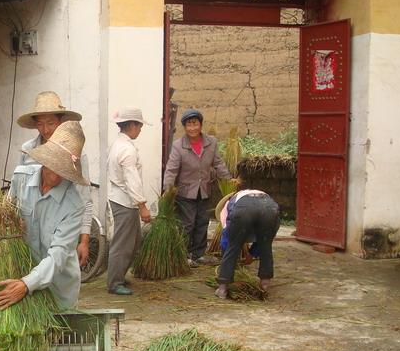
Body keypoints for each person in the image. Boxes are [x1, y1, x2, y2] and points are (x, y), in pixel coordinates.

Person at [0, 120, 89, 310]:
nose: (58, 176)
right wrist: (9, 225)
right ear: (44, 159)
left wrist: (26, 284)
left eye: (65, 170)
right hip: (19, 272)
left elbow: (58, 255)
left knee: (57, 336)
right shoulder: (21, 178)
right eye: (55, 165)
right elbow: (7, 215)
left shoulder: (74, 206)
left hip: (57, 287)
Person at [17, 91, 94, 267]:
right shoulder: (28, 150)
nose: (45, 130)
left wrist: (84, 240)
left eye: (51, 123)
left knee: (57, 273)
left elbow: (85, 199)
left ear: (61, 122)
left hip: (60, 231)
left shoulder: (75, 154)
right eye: (40, 124)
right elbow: (18, 188)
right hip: (29, 232)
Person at [162, 108, 231, 267]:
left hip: (204, 190)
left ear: (200, 125)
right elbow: (171, 169)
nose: (192, 128)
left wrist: (228, 180)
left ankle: (199, 254)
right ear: (184, 127)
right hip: (186, 192)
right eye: (188, 125)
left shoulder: (211, 142)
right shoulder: (179, 146)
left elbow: (218, 163)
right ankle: (184, 254)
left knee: (202, 222)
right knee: (187, 224)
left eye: (195, 124)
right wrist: (168, 189)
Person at [106, 107, 152, 296]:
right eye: (139, 126)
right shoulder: (126, 149)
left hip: (122, 199)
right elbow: (132, 179)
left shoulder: (119, 144)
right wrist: (142, 206)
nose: (140, 129)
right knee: (123, 243)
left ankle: (119, 275)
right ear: (131, 125)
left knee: (133, 241)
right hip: (125, 201)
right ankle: (114, 282)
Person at [213, 188, 280, 299]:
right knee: (266, 246)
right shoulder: (260, 194)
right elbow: (264, 239)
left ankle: (222, 289)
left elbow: (227, 238)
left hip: (243, 210)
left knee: (232, 246)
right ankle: (264, 285)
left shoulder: (227, 206)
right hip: (270, 208)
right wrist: (252, 254)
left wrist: (227, 257)